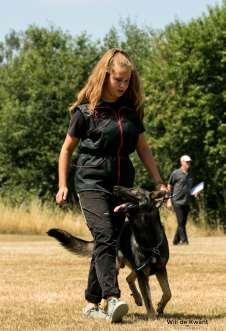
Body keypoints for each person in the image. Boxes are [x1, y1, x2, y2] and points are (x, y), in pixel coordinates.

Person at [55, 48, 166, 323]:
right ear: (105, 77)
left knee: (109, 241)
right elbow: (66, 150)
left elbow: (143, 148)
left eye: (127, 80)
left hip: (121, 185)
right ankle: (113, 297)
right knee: (104, 235)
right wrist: (62, 184)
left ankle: (92, 304)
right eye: (118, 79)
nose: (123, 85)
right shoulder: (85, 112)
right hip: (90, 182)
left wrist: (159, 182)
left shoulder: (130, 111)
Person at [167, 155, 194, 245]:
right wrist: (169, 200)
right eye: (187, 162)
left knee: (182, 223)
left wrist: (195, 192)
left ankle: (175, 240)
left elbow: (190, 188)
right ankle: (184, 241)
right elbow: (169, 186)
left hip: (187, 201)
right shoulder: (175, 173)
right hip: (177, 201)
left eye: (189, 162)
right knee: (181, 221)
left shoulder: (190, 174)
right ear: (181, 162)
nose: (188, 163)